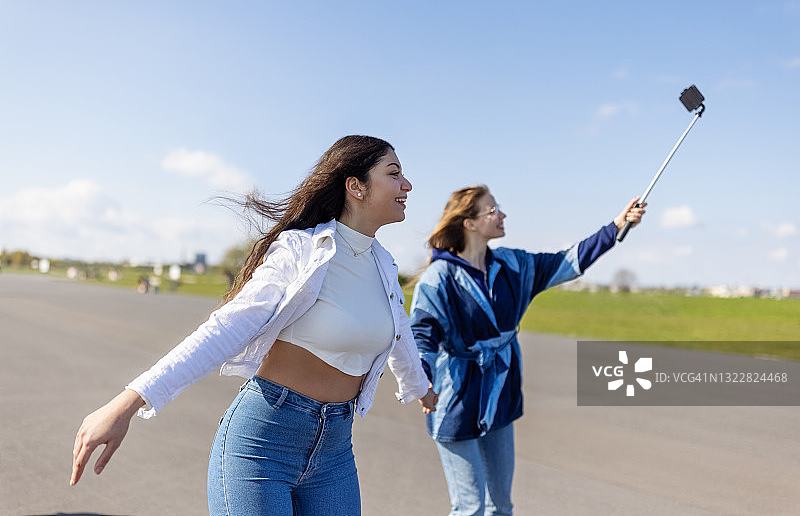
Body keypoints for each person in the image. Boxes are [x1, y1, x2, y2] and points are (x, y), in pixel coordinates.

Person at [70, 135, 438, 515]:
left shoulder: (385, 266)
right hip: (262, 446)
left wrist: (427, 394)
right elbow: (226, 328)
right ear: (355, 186)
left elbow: (401, 341)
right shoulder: (302, 250)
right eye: (394, 174)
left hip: (335, 454)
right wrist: (127, 403)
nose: (406, 185)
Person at [409, 185, 645, 516]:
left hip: (502, 393)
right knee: (471, 507)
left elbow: (569, 261)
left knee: (501, 506)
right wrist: (422, 381)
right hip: (455, 398)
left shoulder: (514, 265)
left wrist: (617, 225)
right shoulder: (439, 278)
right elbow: (422, 332)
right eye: (493, 210)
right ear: (469, 223)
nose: (502, 215)